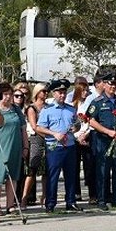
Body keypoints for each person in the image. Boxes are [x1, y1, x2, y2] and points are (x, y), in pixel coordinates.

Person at [87, 72, 116, 211]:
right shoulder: (97, 102)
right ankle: (102, 199)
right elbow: (90, 120)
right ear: (104, 85)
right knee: (102, 170)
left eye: (114, 84)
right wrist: (107, 131)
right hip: (104, 141)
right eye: (110, 84)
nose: (112, 87)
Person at [35, 79, 81, 212]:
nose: (62, 95)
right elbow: (39, 127)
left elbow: (76, 124)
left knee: (71, 175)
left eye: (64, 92)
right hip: (54, 147)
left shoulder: (71, 109)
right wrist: (54, 133)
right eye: (59, 93)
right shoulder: (47, 110)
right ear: (54, 94)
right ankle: (50, 203)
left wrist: (76, 127)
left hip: (70, 145)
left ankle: (71, 201)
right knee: (53, 175)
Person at [0, 83, 28, 220]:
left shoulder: (16, 109)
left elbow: (23, 129)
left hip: (15, 146)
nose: (8, 97)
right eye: (6, 94)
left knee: (13, 176)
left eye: (10, 94)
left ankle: (10, 204)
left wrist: (26, 146)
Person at [23, 83, 47, 207]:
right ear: (37, 92)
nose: (45, 93)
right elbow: (34, 126)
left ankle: (45, 197)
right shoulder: (32, 108)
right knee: (32, 169)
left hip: (48, 139)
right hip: (36, 139)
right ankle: (24, 198)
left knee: (46, 171)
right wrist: (48, 135)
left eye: (46, 91)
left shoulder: (48, 107)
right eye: (43, 91)